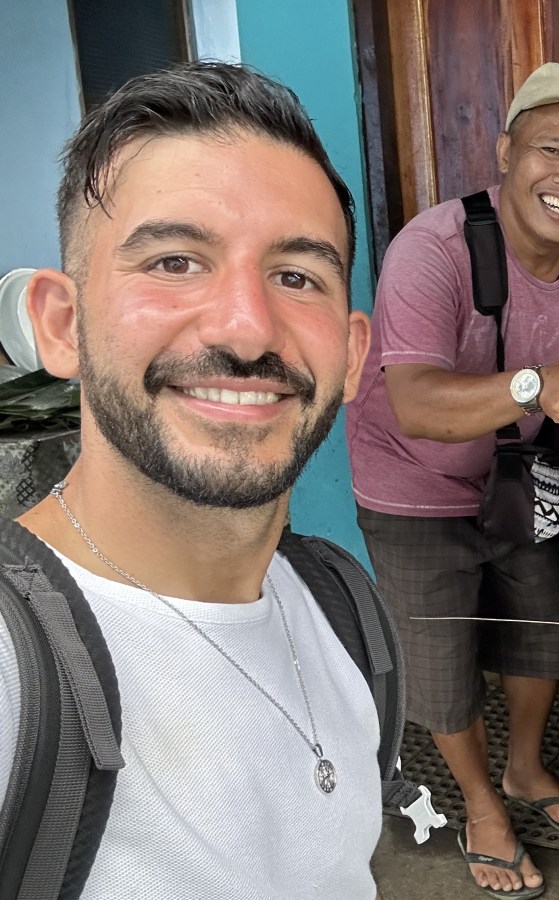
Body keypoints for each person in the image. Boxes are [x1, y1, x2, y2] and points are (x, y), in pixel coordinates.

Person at [0, 63, 378, 897]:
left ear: (351, 354)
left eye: (296, 276)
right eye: (174, 261)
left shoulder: (347, 614)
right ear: (63, 326)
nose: (246, 328)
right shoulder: (14, 672)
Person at [345, 62, 559, 898]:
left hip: (526, 480)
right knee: (440, 663)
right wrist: (533, 383)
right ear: (506, 151)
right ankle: (481, 803)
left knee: (542, 634)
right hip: (413, 482)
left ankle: (524, 770)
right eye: (553, 149)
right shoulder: (431, 250)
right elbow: (414, 404)